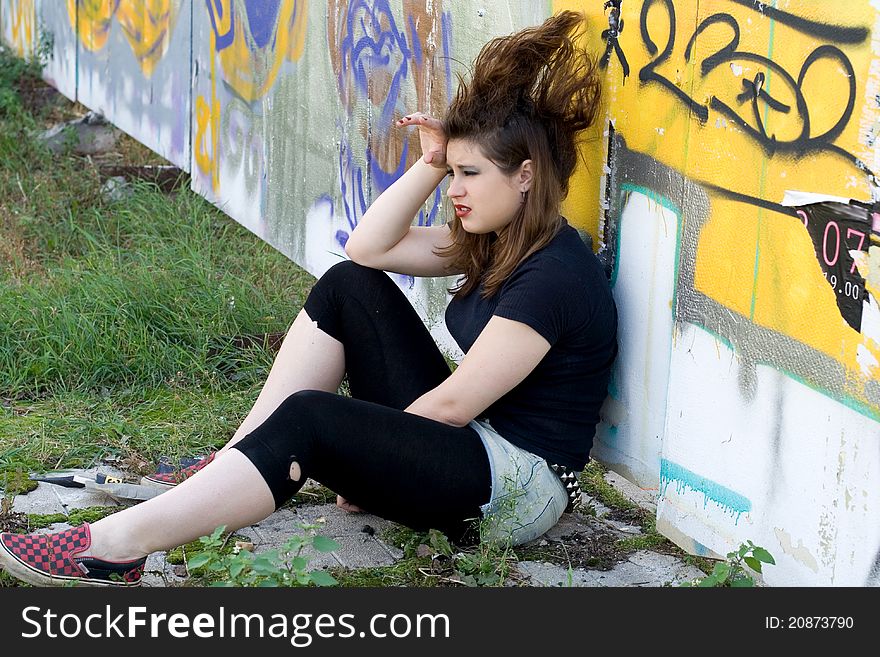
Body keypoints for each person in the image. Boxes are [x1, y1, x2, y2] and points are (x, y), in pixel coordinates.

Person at [0, 10, 617, 587]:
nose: (455, 190)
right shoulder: (498, 238)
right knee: (350, 289)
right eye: (451, 174)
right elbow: (367, 252)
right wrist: (432, 160)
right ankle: (231, 464)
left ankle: (114, 548)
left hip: (513, 488)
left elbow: (455, 404)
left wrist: (375, 457)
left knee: (312, 419)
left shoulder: (555, 275)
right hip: (473, 445)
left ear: (526, 175)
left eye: (469, 175)